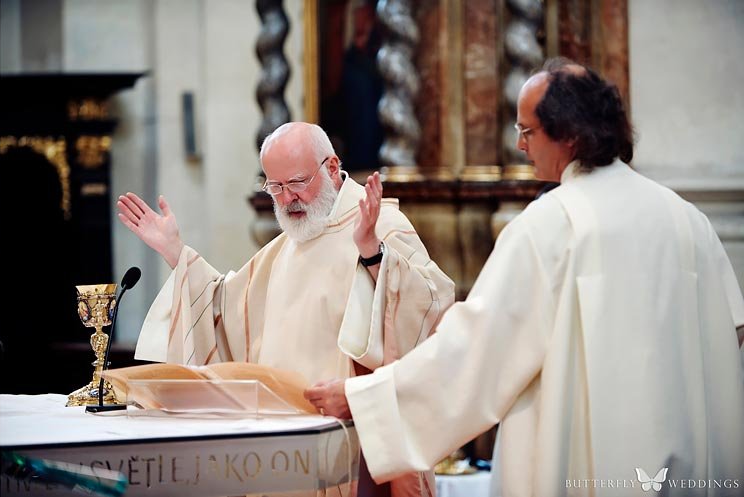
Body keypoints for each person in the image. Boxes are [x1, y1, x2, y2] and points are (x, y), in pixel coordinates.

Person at [305, 58, 744, 496]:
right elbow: (731, 334)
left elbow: (474, 350)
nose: (519, 145)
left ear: (569, 134)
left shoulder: (551, 226)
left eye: (527, 130)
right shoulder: (687, 220)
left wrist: (365, 400)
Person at [119, 122, 455, 496]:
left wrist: (372, 253)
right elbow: (223, 309)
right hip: (283, 454)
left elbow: (433, 303)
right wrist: (174, 251)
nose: (288, 198)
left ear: (332, 167)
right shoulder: (286, 246)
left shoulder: (381, 224)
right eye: (275, 187)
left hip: (356, 447)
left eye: (296, 182)